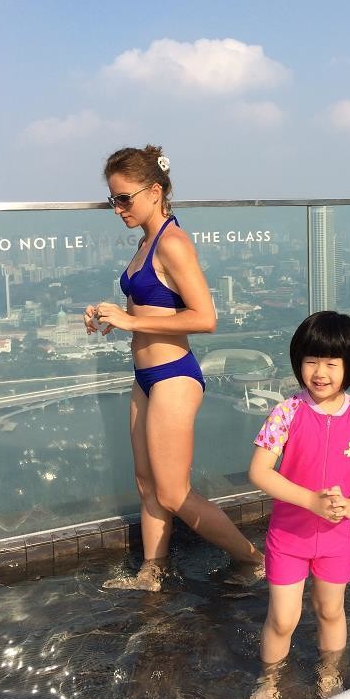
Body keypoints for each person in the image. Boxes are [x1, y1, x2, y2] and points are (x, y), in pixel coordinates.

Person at [84, 145, 264, 590]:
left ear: (155, 191)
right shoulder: (145, 241)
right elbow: (152, 309)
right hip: (145, 377)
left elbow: (205, 318)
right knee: (146, 483)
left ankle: (256, 560)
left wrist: (130, 321)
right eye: (112, 199)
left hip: (173, 376)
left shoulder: (173, 242)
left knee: (173, 491)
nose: (118, 209)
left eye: (124, 198)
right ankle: (152, 572)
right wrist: (109, 315)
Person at [248, 311, 350, 699]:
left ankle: (329, 677)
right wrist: (310, 501)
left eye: (332, 363)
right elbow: (259, 472)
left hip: (335, 538)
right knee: (283, 619)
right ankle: (269, 682)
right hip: (288, 536)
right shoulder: (287, 412)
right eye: (311, 361)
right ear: (299, 361)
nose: (320, 372)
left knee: (331, 611)